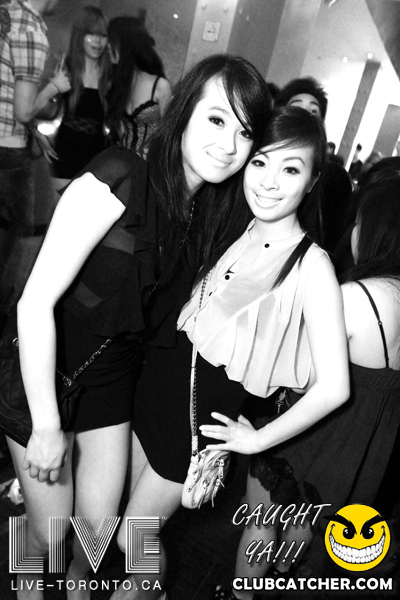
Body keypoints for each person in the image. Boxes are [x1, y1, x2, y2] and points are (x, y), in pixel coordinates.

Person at [6, 54, 271, 600]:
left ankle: (76, 589)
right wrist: (47, 426)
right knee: (47, 535)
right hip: (43, 371)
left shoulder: (208, 220)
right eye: (216, 119)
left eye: (244, 133)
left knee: (95, 537)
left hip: (110, 382)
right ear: (184, 112)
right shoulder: (118, 174)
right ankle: (24, 582)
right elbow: (33, 303)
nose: (228, 144)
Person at [115, 107, 349, 600]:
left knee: (131, 538)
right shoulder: (232, 225)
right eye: (260, 162)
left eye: (290, 169)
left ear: (311, 181)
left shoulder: (312, 266)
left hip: (193, 429)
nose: (269, 182)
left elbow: (335, 387)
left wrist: (257, 441)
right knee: (125, 531)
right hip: (151, 395)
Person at [217, 171, 400, 599]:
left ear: (378, 232)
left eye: (360, 222)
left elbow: (306, 377)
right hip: (362, 452)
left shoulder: (355, 298)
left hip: (309, 436)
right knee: (305, 530)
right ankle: (279, 578)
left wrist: (257, 436)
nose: (354, 231)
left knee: (261, 525)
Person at [0, 0, 70, 315]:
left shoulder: (7, 14)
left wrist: (34, 132)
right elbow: (24, 109)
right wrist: (55, 86)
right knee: (26, 240)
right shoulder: (30, 28)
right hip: (8, 152)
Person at [35, 5, 111, 192]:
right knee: (60, 208)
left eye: (102, 35)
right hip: (66, 151)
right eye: (91, 34)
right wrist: (36, 133)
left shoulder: (109, 73)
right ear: (80, 35)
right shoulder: (65, 66)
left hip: (97, 156)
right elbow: (31, 104)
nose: (98, 41)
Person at [275, 76, 353, 254]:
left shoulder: (336, 178)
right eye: (297, 107)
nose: (305, 115)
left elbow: (335, 236)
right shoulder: (258, 161)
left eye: (313, 111)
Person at [106, 16, 172, 155]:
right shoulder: (117, 83)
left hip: (148, 163)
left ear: (126, 45)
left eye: (112, 42)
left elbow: (169, 135)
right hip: (121, 158)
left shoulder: (160, 86)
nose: (108, 46)